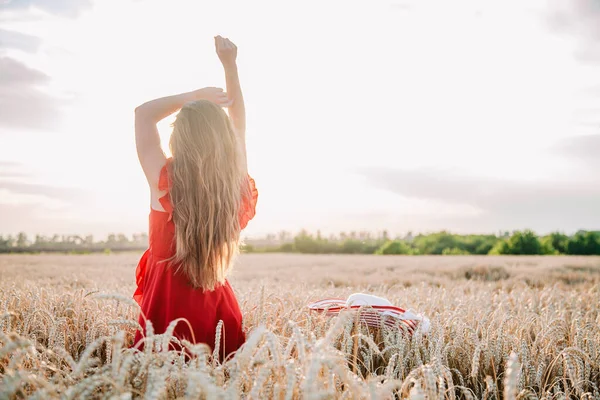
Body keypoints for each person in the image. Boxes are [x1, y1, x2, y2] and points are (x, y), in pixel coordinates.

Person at [132, 36, 258, 361]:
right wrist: (230, 66)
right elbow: (239, 124)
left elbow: (143, 114)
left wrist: (194, 96)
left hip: (165, 308)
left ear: (178, 136)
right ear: (226, 142)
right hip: (215, 308)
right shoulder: (233, 187)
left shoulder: (163, 180)